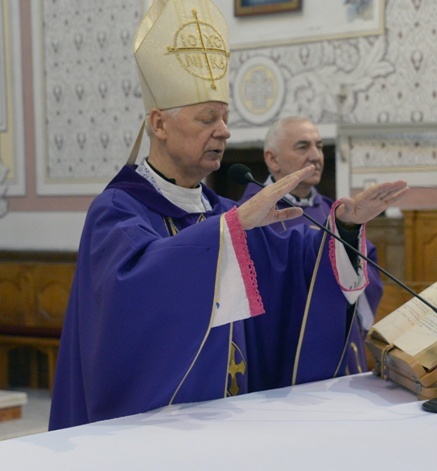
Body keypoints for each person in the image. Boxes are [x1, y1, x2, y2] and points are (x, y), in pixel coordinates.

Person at [48, 0, 408, 431]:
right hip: (154, 430)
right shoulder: (119, 210)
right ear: (159, 125)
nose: (224, 131)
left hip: (232, 421)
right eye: (207, 119)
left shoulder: (224, 213)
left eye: (224, 118)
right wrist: (229, 231)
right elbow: (129, 298)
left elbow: (297, 272)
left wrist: (345, 227)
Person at [239, 116, 384, 373]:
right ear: (272, 159)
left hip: (339, 342)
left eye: (319, 146)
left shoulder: (334, 212)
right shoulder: (250, 216)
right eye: (303, 147)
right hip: (283, 348)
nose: (316, 156)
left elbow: (368, 267)